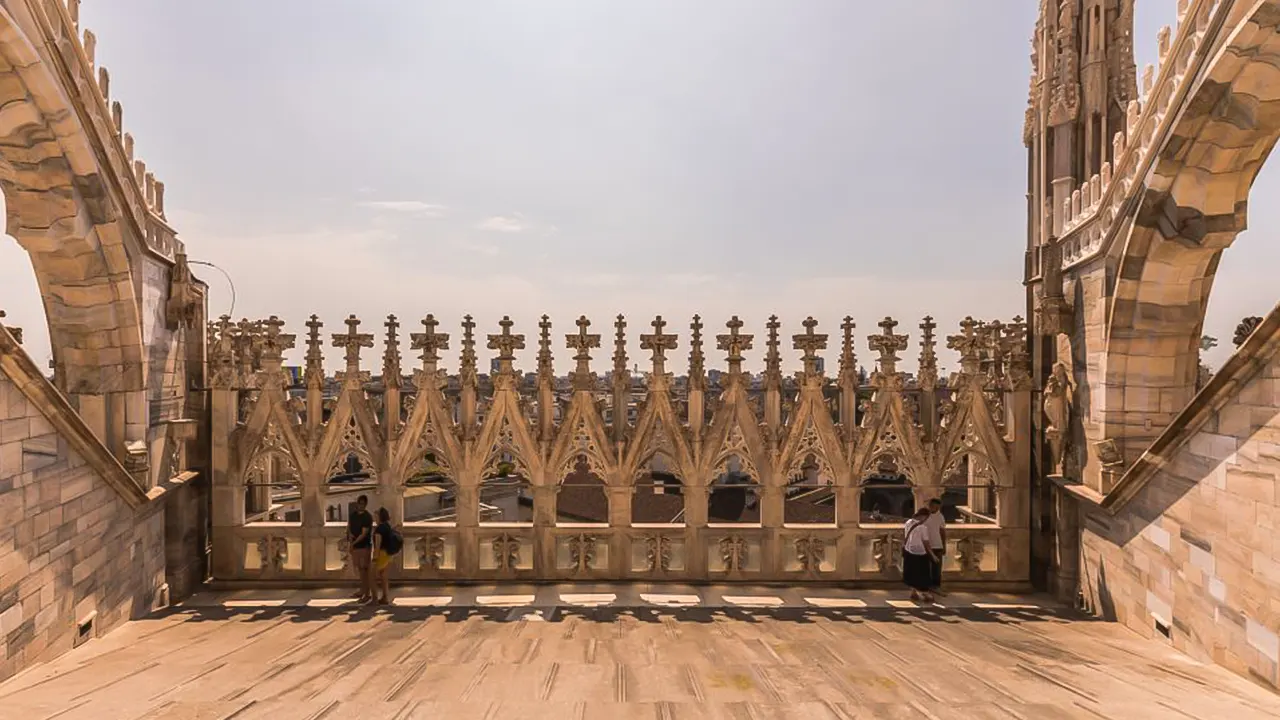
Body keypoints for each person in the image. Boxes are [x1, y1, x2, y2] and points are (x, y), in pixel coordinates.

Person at [902, 507, 936, 603]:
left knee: (911, 573)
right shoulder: (922, 528)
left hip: (908, 550)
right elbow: (926, 543)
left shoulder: (908, 522)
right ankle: (925, 594)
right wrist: (933, 555)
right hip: (920, 553)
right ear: (923, 516)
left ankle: (913, 592)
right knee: (923, 574)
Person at [370, 507, 402, 605]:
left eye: (376, 516)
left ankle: (374, 599)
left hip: (382, 554)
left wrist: (374, 558)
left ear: (380, 517)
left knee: (371, 577)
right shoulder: (387, 526)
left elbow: (378, 545)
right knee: (384, 576)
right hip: (388, 554)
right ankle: (385, 597)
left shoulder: (379, 529)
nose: (374, 518)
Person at [347, 495, 374, 603]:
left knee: (364, 570)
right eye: (359, 503)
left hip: (364, 546)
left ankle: (367, 594)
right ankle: (362, 591)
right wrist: (350, 538)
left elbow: (364, 534)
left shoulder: (367, 517)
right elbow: (349, 527)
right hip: (355, 546)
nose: (360, 506)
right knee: (359, 570)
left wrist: (353, 543)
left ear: (365, 505)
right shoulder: (353, 515)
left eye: (363, 504)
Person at [925, 497, 947, 596]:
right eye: (934, 507)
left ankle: (936, 586)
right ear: (930, 506)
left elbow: (942, 532)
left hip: (937, 545)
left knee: (937, 568)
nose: (936, 509)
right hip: (925, 546)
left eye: (938, 507)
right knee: (925, 567)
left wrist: (944, 545)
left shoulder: (940, 516)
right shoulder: (923, 516)